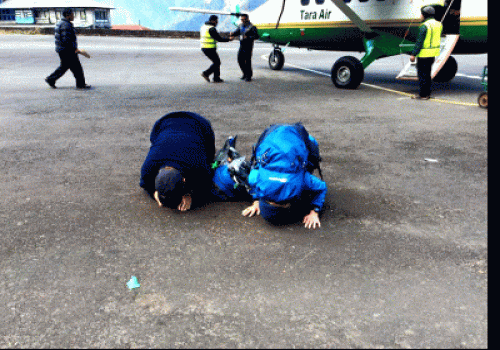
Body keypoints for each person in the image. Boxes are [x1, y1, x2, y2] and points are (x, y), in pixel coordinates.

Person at [241, 123, 327, 229]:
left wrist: (315, 212)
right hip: (271, 134)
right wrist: (256, 201)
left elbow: (322, 187)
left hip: (288, 135)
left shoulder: (299, 182)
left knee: (310, 145)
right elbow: (253, 179)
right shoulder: (256, 179)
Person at [140, 112, 216, 211]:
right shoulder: (150, 164)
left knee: (210, 158)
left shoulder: (198, 165)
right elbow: (145, 184)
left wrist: (192, 198)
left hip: (200, 124)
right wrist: (154, 193)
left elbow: (207, 186)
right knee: (157, 140)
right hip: (163, 123)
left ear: (184, 180)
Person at [45, 8, 91, 89]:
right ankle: (80, 84)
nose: (73, 16)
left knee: (65, 66)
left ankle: (51, 79)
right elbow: (66, 39)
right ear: (68, 15)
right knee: (77, 68)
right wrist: (74, 49)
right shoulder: (66, 25)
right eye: (72, 14)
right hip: (67, 50)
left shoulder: (62, 23)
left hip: (62, 49)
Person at [410, 6, 443, 100]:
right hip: (433, 54)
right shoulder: (439, 24)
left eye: (421, 14)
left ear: (425, 15)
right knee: (427, 75)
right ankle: (427, 93)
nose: (420, 16)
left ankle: (423, 95)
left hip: (423, 54)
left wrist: (413, 54)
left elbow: (419, 42)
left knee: (422, 76)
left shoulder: (424, 26)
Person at [200, 15, 231, 83]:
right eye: (217, 21)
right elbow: (219, 39)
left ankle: (216, 78)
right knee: (217, 62)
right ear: (213, 21)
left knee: (216, 62)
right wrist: (229, 39)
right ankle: (206, 73)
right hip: (209, 48)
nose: (217, 23)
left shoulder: (204, 27)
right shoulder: (211, 28)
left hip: (204, 47)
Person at [230, 14, 259, 82]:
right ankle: (244, 73)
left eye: (243, 19)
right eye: (241, 19)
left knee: (247, 61)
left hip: (248, 46)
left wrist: (248, 37)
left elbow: (257, 36)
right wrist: (233, 34)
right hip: (242, 45)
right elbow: (237, 32)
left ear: (247, 19)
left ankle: (249, 76)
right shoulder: (240, 26)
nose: (242, 21)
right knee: (240, 60)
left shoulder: (252, 27)